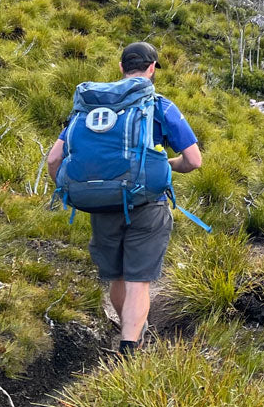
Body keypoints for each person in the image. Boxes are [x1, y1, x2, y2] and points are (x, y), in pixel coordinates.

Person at [46, 42, 202, 354]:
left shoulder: (89, 106)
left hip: (101, 203)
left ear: (121, 67)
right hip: (146, 205)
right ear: (152, 68)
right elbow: (194, 160)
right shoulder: (160, 106)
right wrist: (164, 166)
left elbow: (53, 159)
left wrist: (76, 188)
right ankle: (130, 346)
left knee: (116, 276)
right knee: (138, 281)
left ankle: (126, 326)